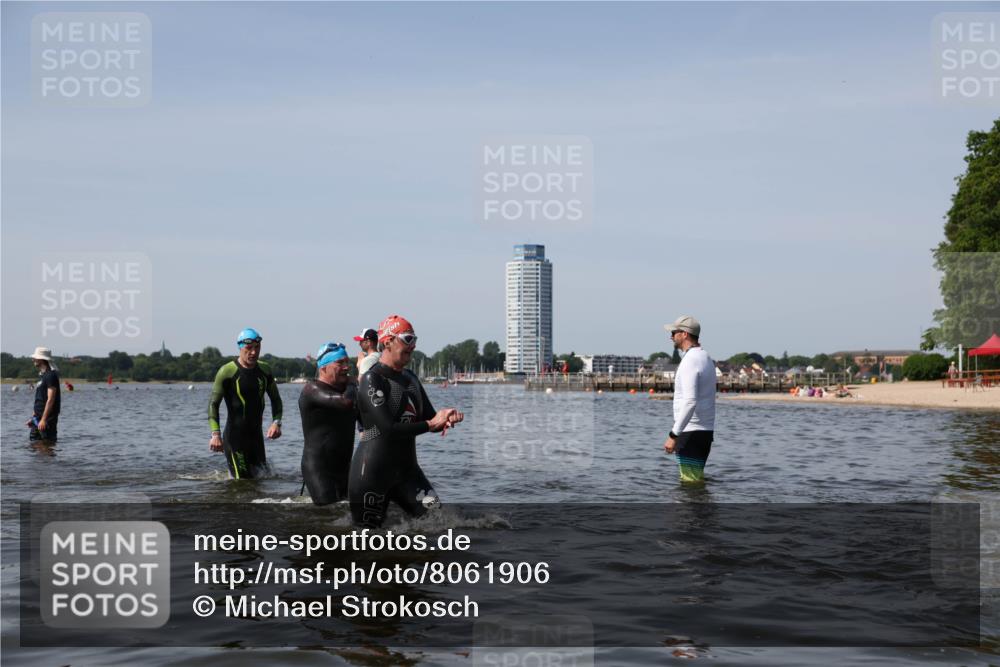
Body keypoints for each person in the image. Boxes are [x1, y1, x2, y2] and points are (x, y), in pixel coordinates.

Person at [349, 314, 463, 527]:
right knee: (366, 544)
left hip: (408, 473)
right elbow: (386, 429)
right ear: (388, 341)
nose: (413, 345)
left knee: (443, 524)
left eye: (415, 339)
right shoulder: (372, 379)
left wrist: (445, 417)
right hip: (372, 474)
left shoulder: (410, 378)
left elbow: (430, 418)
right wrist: (431, 425)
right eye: (407, 339)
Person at [208, 328, 283, 479]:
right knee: (242, 482)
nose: (254, 352)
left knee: (263, 479)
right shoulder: (227, 371)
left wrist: (276, 423)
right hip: (235, 438)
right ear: (240, 348)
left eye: (257, 348)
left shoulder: (265, 370)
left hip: (256, 437)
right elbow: (213, 405)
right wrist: (215, 434)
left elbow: (276, 400)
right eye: (249, 348)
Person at [299, 342, 357, 505]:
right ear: (323, 367)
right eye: (340, 363)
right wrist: (354, 382)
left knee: (346, 514)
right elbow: (346, 403)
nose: (346, 367)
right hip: (318, 468)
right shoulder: (312, 390)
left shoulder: (347, 391)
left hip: (344, 467)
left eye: (347, 362)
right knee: (327, 516)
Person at [662, 316, 716, 483]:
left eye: (674, 332)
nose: (671, 336)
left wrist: (673, 434)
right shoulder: (706, 358)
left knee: (690, 485)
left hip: (690, 432)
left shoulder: (690, 361)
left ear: (684, 334)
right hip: (705, 431)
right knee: (696, 483)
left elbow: (690, 401)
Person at [26, 347, 61, 443]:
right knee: (34, 448)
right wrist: (33, 418)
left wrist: (44, 419)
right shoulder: (43, 375)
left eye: (35, 357)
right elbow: (39, 398)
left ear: (42, 359)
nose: (33, 359)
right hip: (37, 418)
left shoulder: (51, 375)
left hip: (47, 419)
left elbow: (51, 399)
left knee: (47, 447)